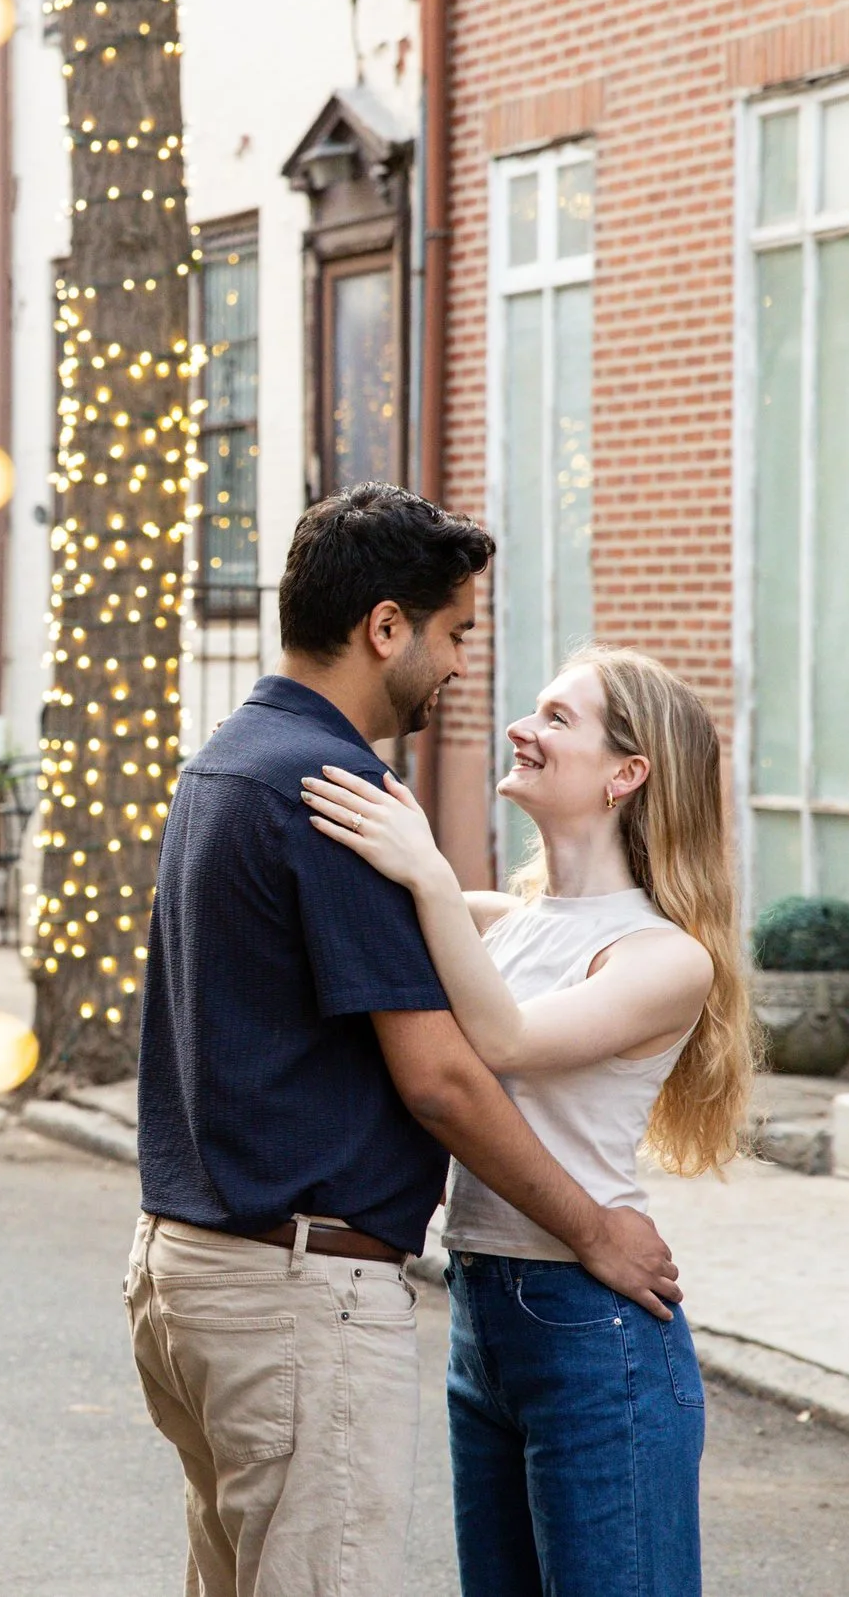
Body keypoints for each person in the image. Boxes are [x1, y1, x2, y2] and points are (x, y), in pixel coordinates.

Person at [126, 484, 683, 1597]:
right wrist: (596, 1232)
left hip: (184, 1267)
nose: (462, 664)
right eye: (456, 631)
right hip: (295, 1288)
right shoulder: (334, 791)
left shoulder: (224, 762)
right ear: (386, 627)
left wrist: (432, 873)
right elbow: (441, 1080)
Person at [298, 645, 751, 1597]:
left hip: (597, 1329)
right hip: (483, 1313)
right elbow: (348, 911)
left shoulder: (664, 956)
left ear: (627, 774)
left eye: (555, 717)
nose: (520, 726)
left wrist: (425, 873)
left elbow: (499, 1041)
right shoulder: (513, 921)